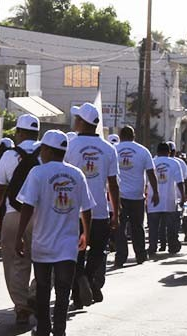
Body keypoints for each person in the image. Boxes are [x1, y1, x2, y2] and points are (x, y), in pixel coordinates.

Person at [14, 129, 95, 336]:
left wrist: (20, 235)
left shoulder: (38, 173)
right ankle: (59, 335)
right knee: (63, 291)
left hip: (43, 243)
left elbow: (27, 206)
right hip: (67, 245)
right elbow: (86, 209)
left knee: (42, 289)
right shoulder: (77, 174)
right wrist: (85, 233)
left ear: (48, 150)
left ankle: (42, 330)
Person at [63, 103, 119, 305]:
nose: (75, 121)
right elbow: (112, 184)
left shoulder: (70, 146)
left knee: (76, 252)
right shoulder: (109, 148)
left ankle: (80, 281)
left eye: (77, 118)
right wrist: (116, 213)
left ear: (82, 122)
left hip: (74, 211)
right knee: (97, 250)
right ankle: (87, 279)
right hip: (100, 212)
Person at [0, 114, 40, 324]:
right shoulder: (47, 152)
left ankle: (21, 306)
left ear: (18, 132)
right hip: (41, 215)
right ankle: (36, 293)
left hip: (14, 214)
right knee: (45, 259)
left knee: (15, 262)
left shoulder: (9, 156)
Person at [113, 126, 159, 267]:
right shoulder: (143, 151)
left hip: (119, 196)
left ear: (120, 135)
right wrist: (155, 192)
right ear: (134, 135)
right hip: (137, 196)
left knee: (119, 228)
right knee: (137, 227)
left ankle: (121, 256)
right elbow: (151, 173)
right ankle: (140, 255)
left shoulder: (114, 150)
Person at [147, 142, 185, 257]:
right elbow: (180, 182)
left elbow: (145, 180)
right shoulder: (175, 163)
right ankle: (172, 246)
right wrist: (183, 196)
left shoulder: (152, 162)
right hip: (169, 199)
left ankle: (152, 247)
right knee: (171, 226)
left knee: (153, 226)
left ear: (157, 152)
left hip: (153, 199)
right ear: (169, 152)